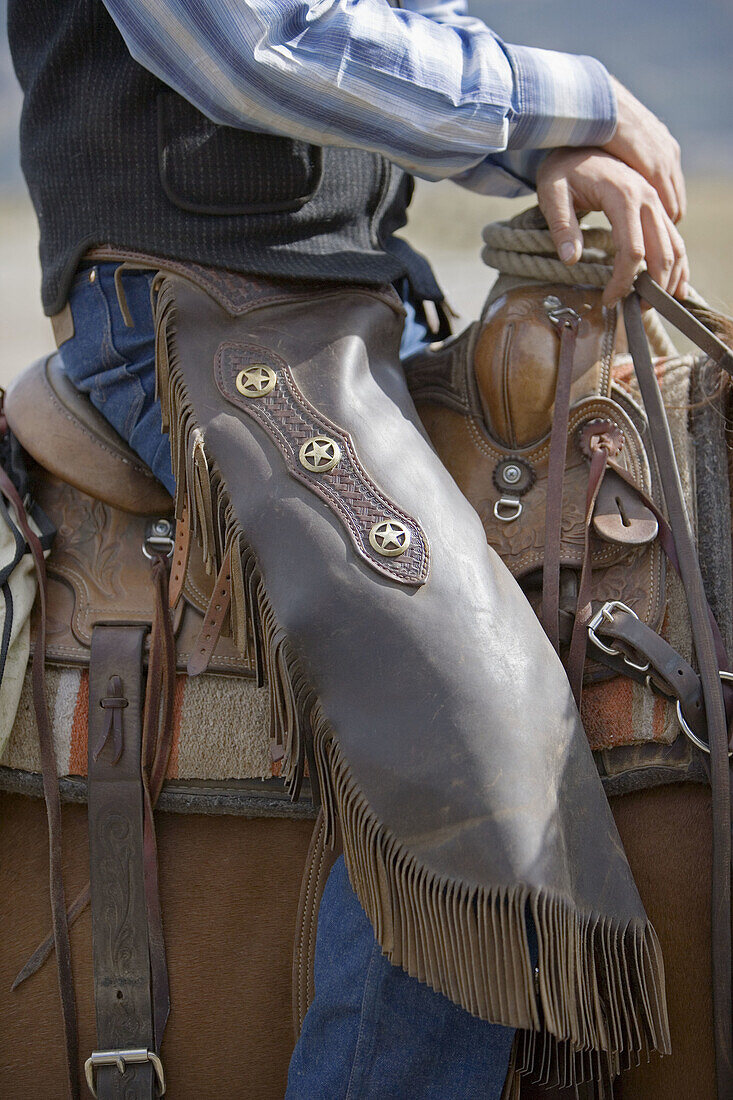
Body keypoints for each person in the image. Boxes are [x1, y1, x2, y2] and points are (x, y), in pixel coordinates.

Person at [7, 2, 687, 1096]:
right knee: (467, 753)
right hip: (186, 316)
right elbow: (253, 44)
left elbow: (384, 28)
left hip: (361, 315)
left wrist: (547, 143)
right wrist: (572, 99)